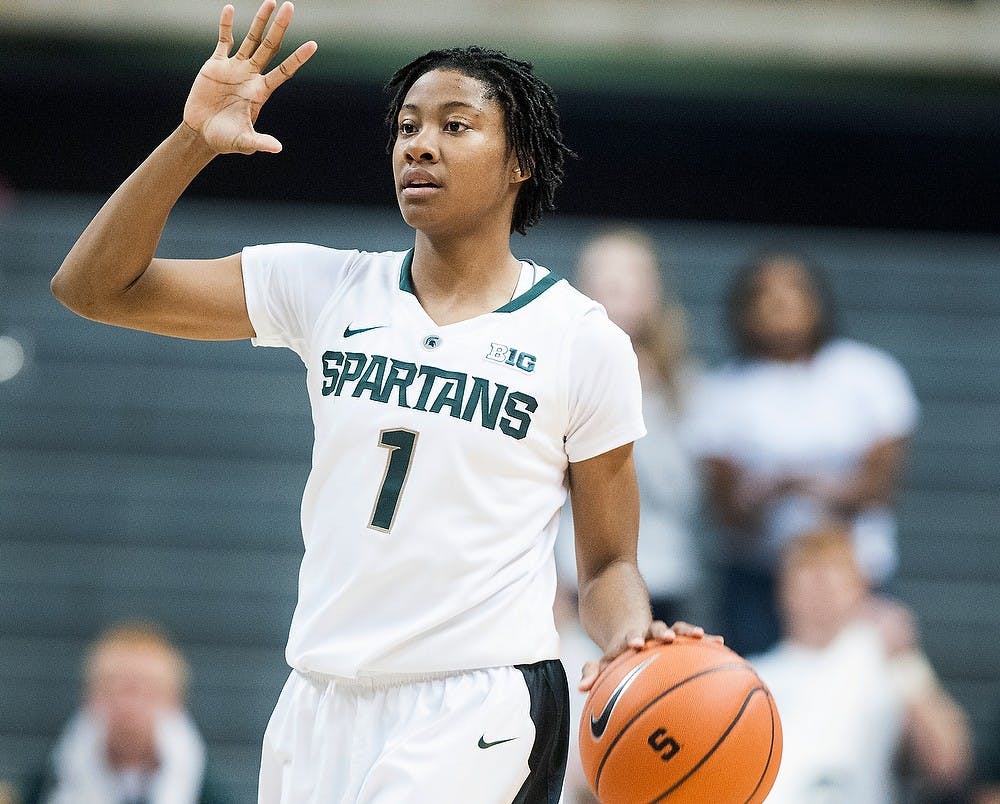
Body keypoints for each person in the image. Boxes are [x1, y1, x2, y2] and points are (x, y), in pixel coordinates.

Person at [49, 3, 714, 801]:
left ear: (521, 162)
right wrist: (192, 140)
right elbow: (92, 288)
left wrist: (632, 638)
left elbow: (608, 562)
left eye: (455, 126)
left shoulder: (582, 339)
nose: (419, 144)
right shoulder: (322, 286)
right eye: (406, 127)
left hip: (479, 700)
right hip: (318, 695)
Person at [683, 251, 919, 655]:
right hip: (758, 581)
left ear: (818, 298)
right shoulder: (721, 391)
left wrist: (800, 485)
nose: (780, 302)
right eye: (765, 293)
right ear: (744, 308)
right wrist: (780, 492)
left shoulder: (868, 374)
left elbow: (881, 487)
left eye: (793, 289)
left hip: (854, 577)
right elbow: (726, 510)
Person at [552, 228, 704, 803]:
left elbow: (684, 490)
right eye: (604, 276)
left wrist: (633, 406)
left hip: (659, 578)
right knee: (574, 733)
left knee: (647, 734)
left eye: (629, 277)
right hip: (573, 580)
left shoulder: (679, 384)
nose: (616, 290)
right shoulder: (560, 369)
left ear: (654, 293)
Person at [749, 525, 973, 804]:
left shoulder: (883, 663)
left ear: (860, 590)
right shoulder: (752, 676)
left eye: (834, 571)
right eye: (809, 571)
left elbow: (948, 764)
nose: (822, 585)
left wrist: (907, 661)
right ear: (783, 591)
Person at [23, 622, 231, 804]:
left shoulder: (206, 793)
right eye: (113, 689)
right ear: (89, 699)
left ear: (175, 703)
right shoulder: (44, 788)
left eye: (146, 691)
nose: (128, 705)